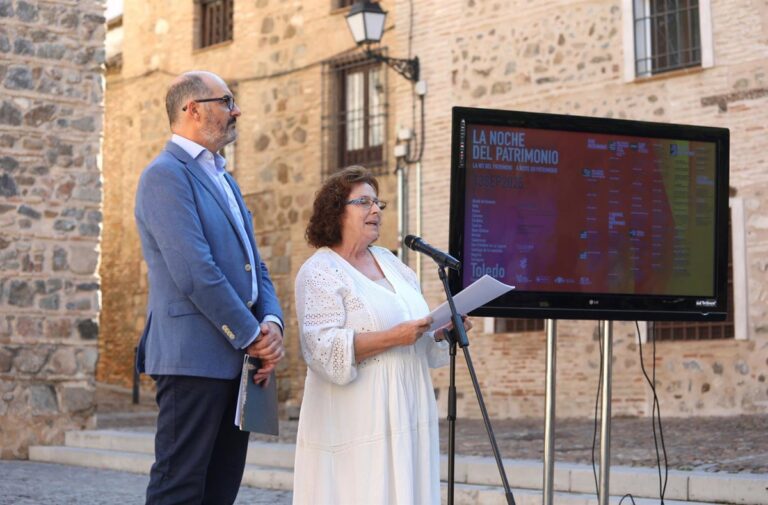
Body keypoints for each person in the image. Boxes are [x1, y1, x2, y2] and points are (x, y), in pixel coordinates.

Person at [134, 71, 285, 505]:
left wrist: (270, 322)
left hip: (238, 358)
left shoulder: (225, 178)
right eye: (226, 101)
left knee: (220, 489)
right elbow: (194, 271)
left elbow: (254, 264)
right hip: (192, 358)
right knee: (179, 488)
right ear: (193, 109)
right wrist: (252, 334)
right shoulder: (165, 175)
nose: (236, 110)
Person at [292, 166, 471, 504]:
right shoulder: (320, 272)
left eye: (378, 203)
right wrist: (393, 337)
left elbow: (417, 337)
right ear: (336, 211)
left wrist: (441, 332)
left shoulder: (392, 263)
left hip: (409, 410)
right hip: (359, 421)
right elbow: (322, 351)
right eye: (363, 202)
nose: (375, 210)